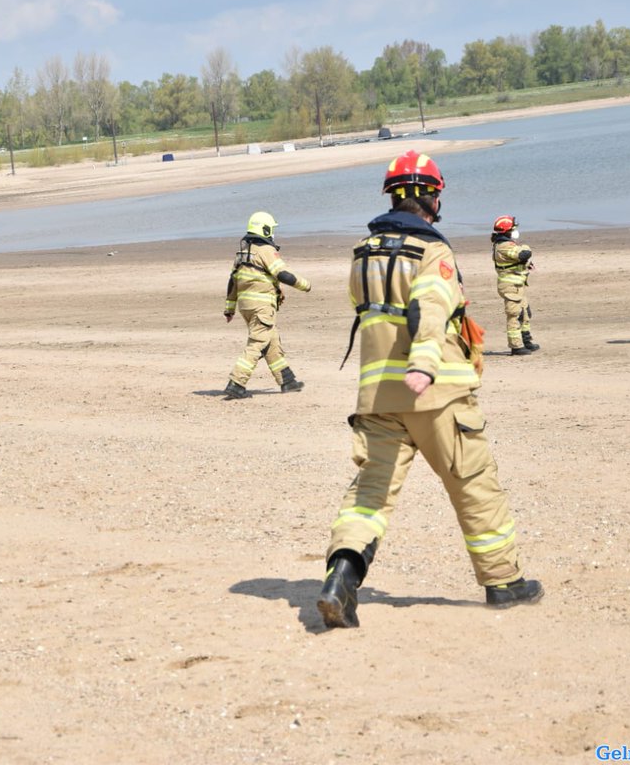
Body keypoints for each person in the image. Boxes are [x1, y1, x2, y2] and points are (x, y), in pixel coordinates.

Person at [316, 150, 542, 629]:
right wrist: (422, 363)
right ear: (432, 197)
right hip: (436, 396)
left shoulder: (362, 252)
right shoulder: (432, 251)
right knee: (474, 484)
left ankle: (340, 579)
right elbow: (430, 307)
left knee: (370, 495)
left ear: (392, 196)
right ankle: (504, 582)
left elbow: (365, 307)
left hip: (377, 399)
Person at [222, 211, 312, 399]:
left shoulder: (242, 254)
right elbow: (282, 274)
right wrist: (305, 285)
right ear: (265, 230)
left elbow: (232, 282)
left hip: (246, 307)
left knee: (271, 342)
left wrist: (229, 309)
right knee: (257, 344)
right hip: (261, 306)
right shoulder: (266, 251)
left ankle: (287, 381)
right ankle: (236, 383)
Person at [490, 215, 540, 355]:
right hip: (510, 286)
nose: (515, 231)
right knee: (514, 315)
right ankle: (516, 346)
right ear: (507, 231)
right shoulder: (504, 246)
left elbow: (516, 261)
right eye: (513, 229)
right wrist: (525, 247)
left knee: (525, 312)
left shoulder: (507, 245)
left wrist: (527, 264)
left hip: (517, 285)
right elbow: (524, 254)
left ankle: (526, 341)